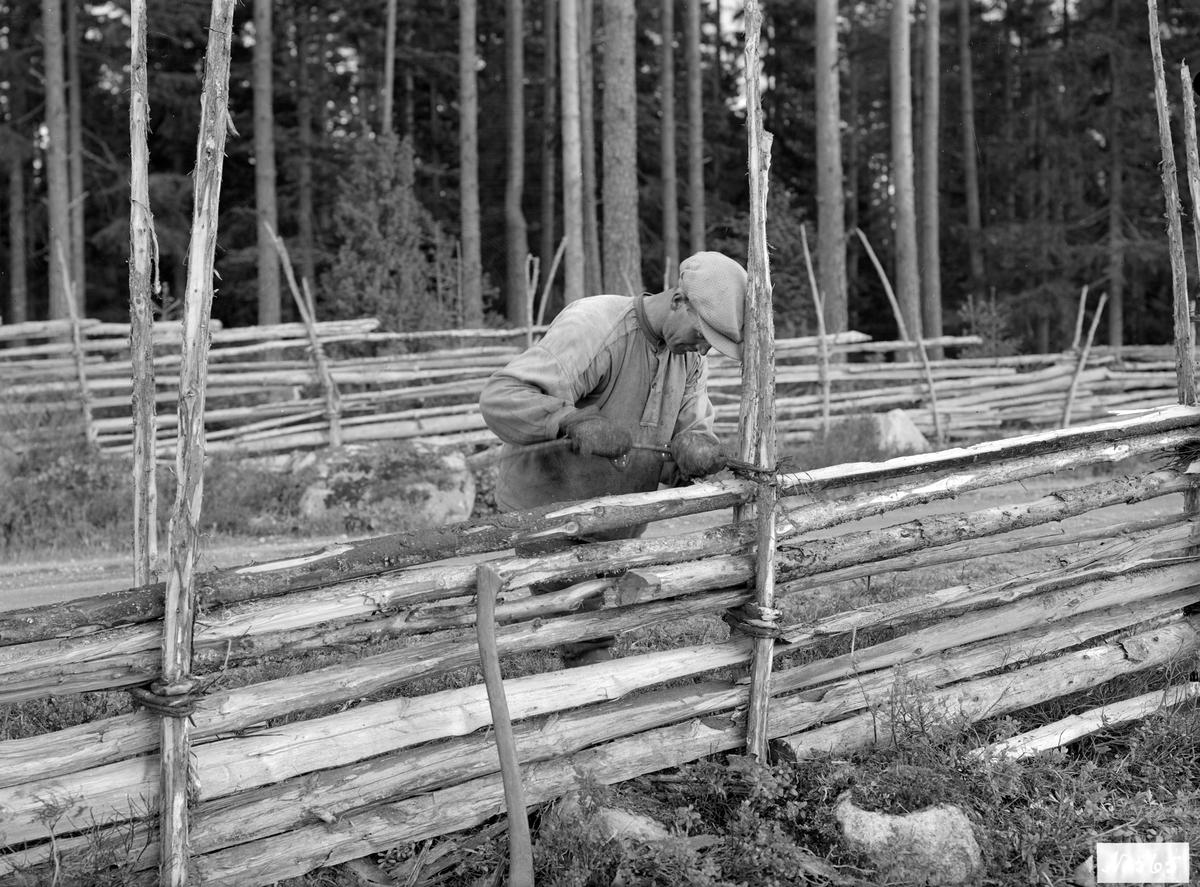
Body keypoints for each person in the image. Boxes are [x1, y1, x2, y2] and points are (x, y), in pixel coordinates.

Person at [479, 250, 748, 666]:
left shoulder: (689, 358)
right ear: (679, 301)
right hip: (549, 513)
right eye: (701, 336)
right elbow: (502, 397)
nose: (703, 350)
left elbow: (688, 437)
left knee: (595, 613)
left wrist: (697, 452)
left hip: (613, 522)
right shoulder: (595, 325)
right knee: (588, 639)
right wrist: (571, 420)